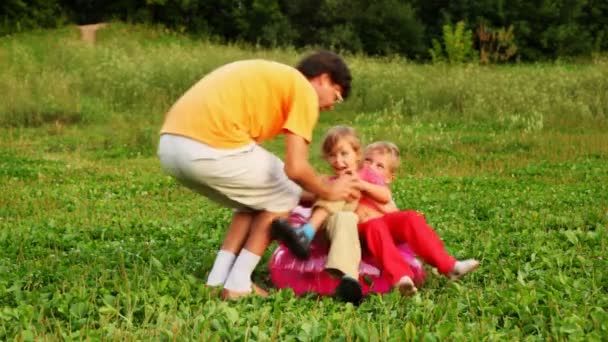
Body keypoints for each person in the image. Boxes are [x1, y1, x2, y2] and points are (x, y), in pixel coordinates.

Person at [157, 51, 360, 300]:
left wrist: (316, 189)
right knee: (285, 189)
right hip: (207, 145)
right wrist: (329, 191)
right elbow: (295, 169)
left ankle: (217, 279)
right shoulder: (303, 89)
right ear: (323, 79)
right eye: (336, 95)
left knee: (257, 196)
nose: (330, 105)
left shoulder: (276, 81)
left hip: (170, 145)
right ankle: (238, 284)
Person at [273, 135, 480, 297]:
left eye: (379, 166)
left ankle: (449, 265)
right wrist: (330, 188)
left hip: (381, 226)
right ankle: (401, 278)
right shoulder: (339, 180)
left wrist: (365, 187)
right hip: (358, 233)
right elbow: (311, 191)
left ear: (389, 177)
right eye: (368, 161)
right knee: (375, 226)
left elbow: (391, 208)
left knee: (411, 218)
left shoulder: (377, 190)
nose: (371, 167)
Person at [272, 126, 390, 304]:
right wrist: (323, 191)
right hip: (330, 230)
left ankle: (309, 235)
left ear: (357, 155)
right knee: (339, 196)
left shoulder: (366, 177)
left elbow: (386, 197)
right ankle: (309, 236)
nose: (338, 160)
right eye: (332, 155)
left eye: (344, 153)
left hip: (356, 229)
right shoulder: (328, 181)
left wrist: (360, 185)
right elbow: (303, 195)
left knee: (346, 206)